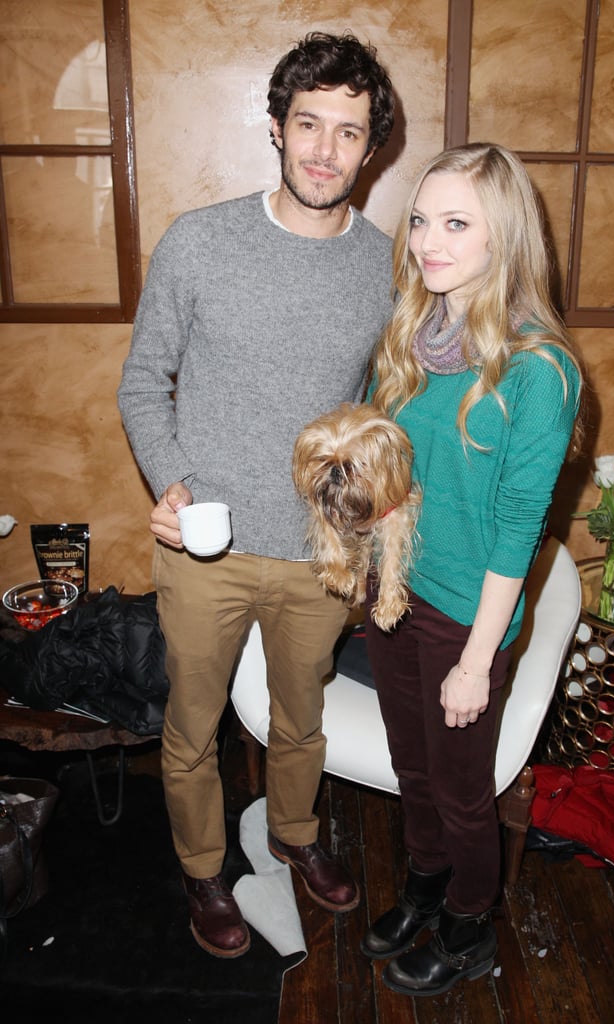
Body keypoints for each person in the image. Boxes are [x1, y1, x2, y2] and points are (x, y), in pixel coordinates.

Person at [117, 31, 395, 959]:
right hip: (208, 543)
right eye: (307, 123)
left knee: (300, 716)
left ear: (371, 146)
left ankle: (295, 835)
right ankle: (203, 871)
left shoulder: (389, 266)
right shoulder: (199, 241)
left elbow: (389, 408)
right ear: (275, 127)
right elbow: (141, 381)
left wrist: (375, 516)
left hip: (322, 546)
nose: (324, 149)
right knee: (192, 725)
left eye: (347, 132)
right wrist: (171, 483)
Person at [360, 142, 583, 995]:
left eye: (456, 223)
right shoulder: (410, 337)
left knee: (460, 791)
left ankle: (470, 919)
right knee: (410, 765)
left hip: (466, 614)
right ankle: (425, 886)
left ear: (505, 238)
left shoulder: (539, 369)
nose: (427, 241)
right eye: (420, 220)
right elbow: (390, 475)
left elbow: (517, 528)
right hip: (396, 593)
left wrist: (474, 662)